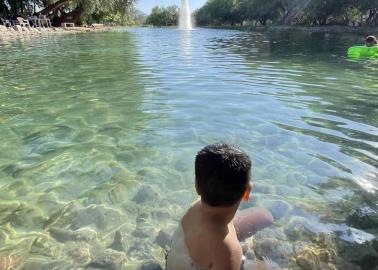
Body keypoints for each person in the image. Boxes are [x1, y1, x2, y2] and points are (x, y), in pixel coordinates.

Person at [167, 143, 274, 270]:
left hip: (177, 261)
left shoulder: (195, 207)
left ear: (197, 186)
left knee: (264, 216)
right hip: (214, 253)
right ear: (247, 192)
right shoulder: (229, 254)